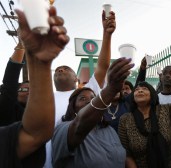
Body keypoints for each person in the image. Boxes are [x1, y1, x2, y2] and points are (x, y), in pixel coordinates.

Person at [45, 9, 117, 168]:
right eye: (57, 70)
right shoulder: (43, 98)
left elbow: (102, 66)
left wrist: (107, 34)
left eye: (66, 69)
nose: (61, 70)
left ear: (77, 80)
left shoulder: (87, 92)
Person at [0, 6, 69, 167]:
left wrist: (40, 64)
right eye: (22, 89)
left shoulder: (40, 114)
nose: (26, 91)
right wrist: (22, 46)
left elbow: (38, 131)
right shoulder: (5, 110)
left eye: (31, 89)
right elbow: (9, 86)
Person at [118, 54, 171, 168]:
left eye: (145, 89)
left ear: (152, 96)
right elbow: (127, 155)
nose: (140, 90)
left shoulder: (164, 110)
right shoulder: (125, 120)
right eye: (137, 90)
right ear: (132, 97)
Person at [52, 57, 133, 168]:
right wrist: (111, 89)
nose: (90, 101)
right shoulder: (63, 129)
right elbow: (80, 123)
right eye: (82, 99)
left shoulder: (108, 130)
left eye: (93, 98)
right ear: (73, 107)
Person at [0, 39, 26, 126]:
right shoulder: (6, 107)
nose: (29, 92)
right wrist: (21, 46)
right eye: (24, 89)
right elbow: (10, 83)